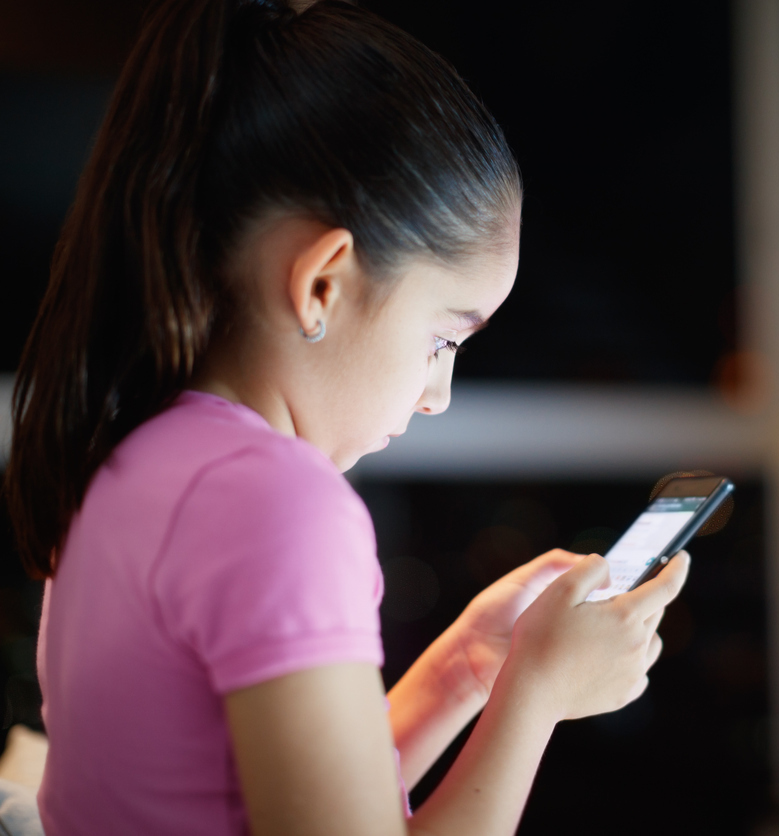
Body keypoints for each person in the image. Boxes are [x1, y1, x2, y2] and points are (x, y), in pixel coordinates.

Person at [4, 1, 689, 833]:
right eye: (442, 338)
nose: (438, 394)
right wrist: (536, 698)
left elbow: (276, 800)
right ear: (323, 282)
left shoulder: (130, 459)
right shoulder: (278, 500)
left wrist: (463, 673)